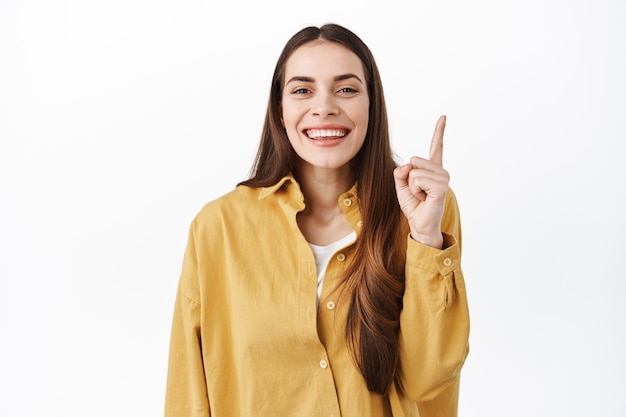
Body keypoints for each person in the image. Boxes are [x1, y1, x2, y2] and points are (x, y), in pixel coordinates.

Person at [164, 23, 470, 417]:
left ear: (372, 104)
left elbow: (430, 379)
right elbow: (188, 388)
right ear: (280, 108)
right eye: (302, 90)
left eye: (346, 89)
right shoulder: (218, 228)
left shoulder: (425, 210)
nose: (324, 107)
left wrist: (426, 236)